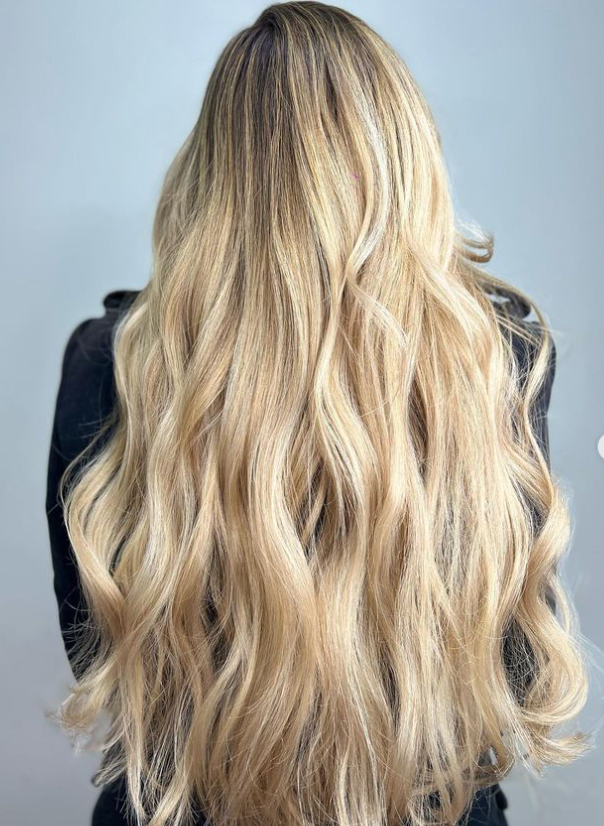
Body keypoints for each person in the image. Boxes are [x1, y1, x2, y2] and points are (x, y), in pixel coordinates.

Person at [45, 3, 590, 826]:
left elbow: (99, 647)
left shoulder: (110, 361)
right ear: (404, 155)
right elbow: (510, 667)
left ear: (216, 168)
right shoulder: (499, 357)